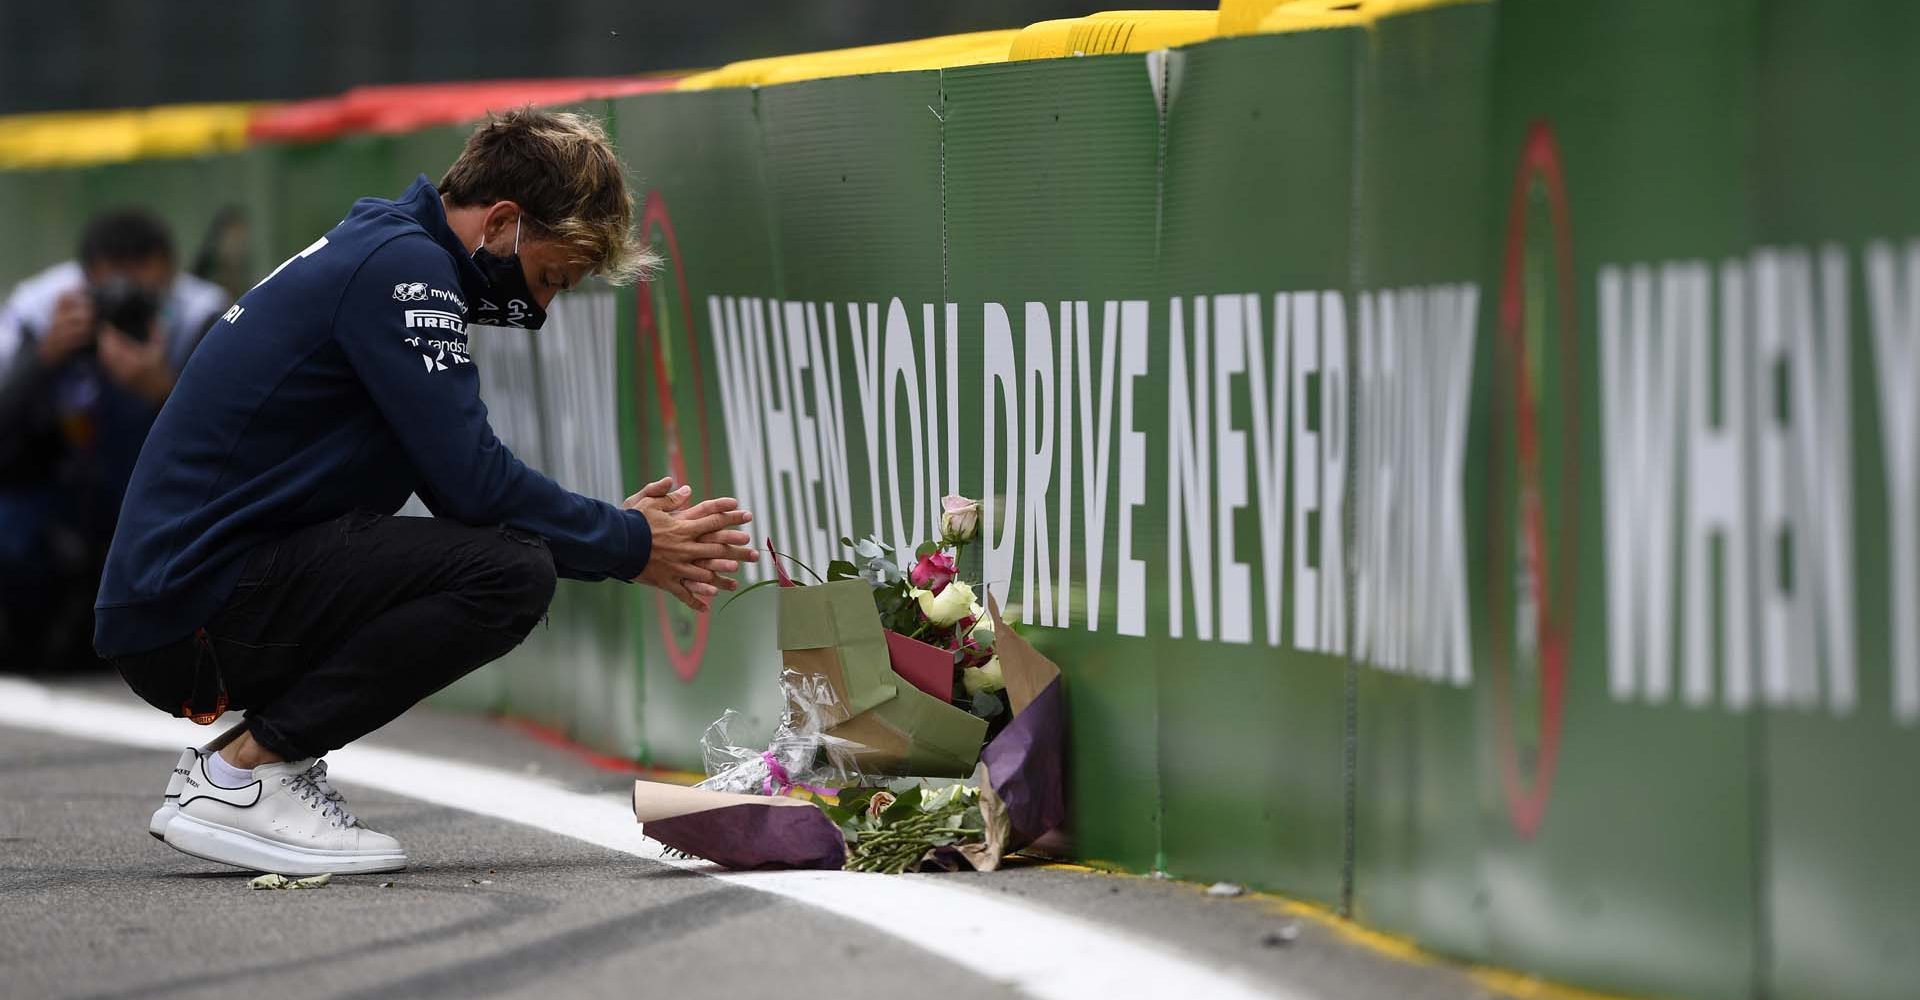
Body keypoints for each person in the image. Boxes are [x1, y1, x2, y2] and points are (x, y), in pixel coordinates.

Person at [93, 108, 758, 876]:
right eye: (549, 278)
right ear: (503, 221)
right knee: (508, 574)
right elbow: (474, 486)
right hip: (191, 609)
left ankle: (243, 768)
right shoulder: (404, 270)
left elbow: (460, 492)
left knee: (491, 558)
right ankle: (247, 773)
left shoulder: (386, 249)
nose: (539, 310)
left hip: (182, 599)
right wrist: (629, 542)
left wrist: (614, 538)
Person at [0, 209, 229, 673]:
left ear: (169, 271)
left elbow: (237, 442)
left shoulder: (202, 313)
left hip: (160, 497)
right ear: (86, 280)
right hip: (57, 485)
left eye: (142, 296)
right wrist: (44, 357)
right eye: (110, 296)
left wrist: (164, 390)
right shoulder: (41, 308)